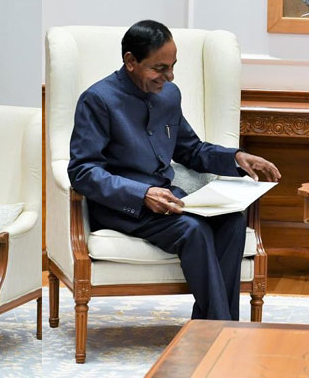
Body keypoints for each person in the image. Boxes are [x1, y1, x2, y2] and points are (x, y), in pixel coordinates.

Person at [67, 20, 281, 321]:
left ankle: (209, 325)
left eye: (172, 66)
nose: (169, 76)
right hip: (122, 206)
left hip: (169, 200)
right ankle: (223, 329)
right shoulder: (97, 100)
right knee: (192, 230)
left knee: (232, 222)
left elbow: (190, 150)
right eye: (159, 68)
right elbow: (82, 171)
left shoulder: (169, 95)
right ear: (130, 61)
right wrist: (142, 194)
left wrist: (236, 157)